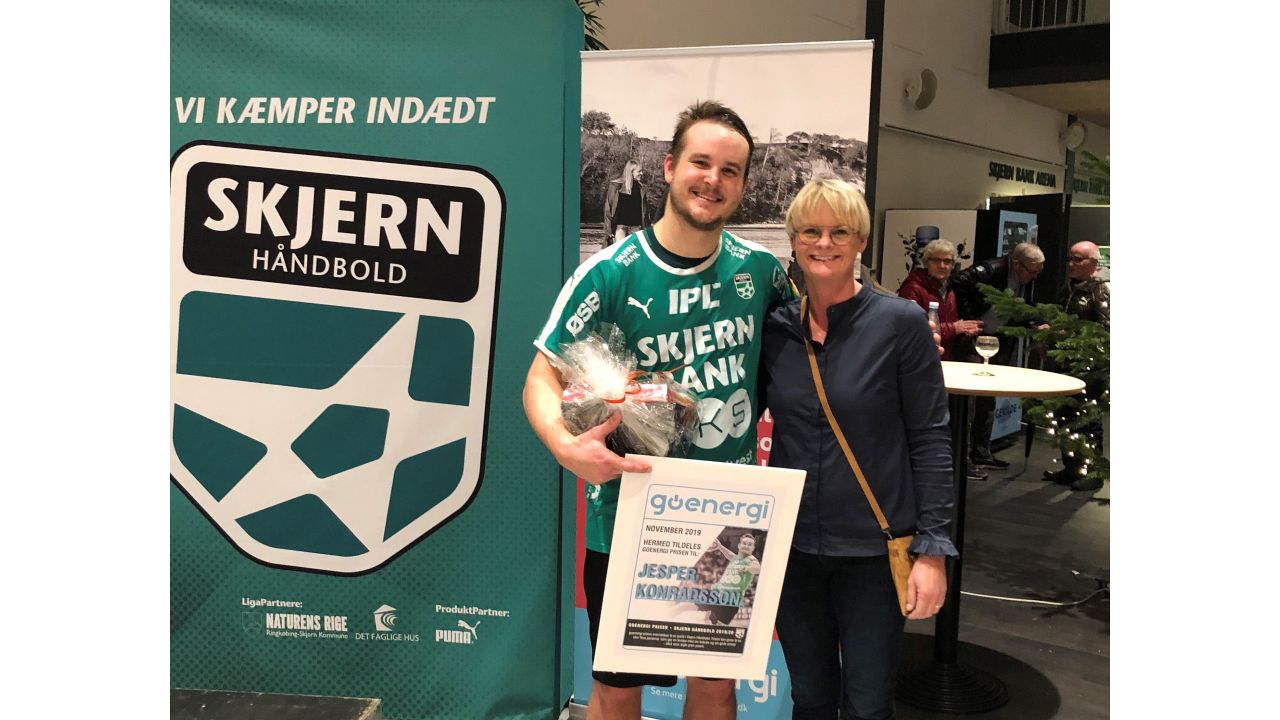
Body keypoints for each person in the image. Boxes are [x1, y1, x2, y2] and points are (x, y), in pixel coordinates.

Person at [524, 100, 792, 720]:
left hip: (728, 517)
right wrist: (564, 446)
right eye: (700, 163)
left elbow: (821, 335)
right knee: (618, 690)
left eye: (730, 170)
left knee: (715, 687)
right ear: (669, 168)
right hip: (632, 513)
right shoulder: (609, 274)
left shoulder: (761, 271)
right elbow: (542, 376)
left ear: (742, 184)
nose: (713, 180)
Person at [760, 177, 957, 720]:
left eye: (840, 231)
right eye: (811, 231)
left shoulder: (900, 323)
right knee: (810, 698)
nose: (824, 243)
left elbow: (931, 438)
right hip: (794, 550)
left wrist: (933, 550)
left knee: (868, 705)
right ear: (793, 241)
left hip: (874, 550)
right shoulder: (776, 329)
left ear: (862, 241)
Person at [897, 238, 989, 481]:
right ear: (925, 262)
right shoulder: (912, 288)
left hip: (946, 361)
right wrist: (954, 328)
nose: (942, 265)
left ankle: (953, 464)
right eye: (936, 260)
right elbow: (913, 329)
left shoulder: (948, 288)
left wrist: (961, 330)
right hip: (921, 364)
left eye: (947, 261)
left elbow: (948, 324)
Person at [950, 241, 1045, 470]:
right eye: (1032, 271)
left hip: (997, 341)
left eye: (1038, 273)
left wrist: (1036, 322)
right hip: (975, 340)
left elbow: (1021, 306)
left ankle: (981, 452)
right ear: (1016, 263)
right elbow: (958, 280)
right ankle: (962, 458)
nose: (1034, 277)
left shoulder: (1025, 279)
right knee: (970, 400)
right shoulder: (992, 269)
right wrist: (970, 316)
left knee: (988, 398)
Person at [1042, 240, 1109, 491]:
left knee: (1088, 420)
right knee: (1064, 417)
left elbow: (1106, 330)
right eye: (1070, 258)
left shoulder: (1101, 291)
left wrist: (1067, 334)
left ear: (1094, 263)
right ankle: (1072, 468)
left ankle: (1094, 473)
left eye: (1078, 259)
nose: (1071, 264)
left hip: (1090, 367)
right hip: (1065, 364)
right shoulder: (1069, 288)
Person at [705, 533, 762, 626]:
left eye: (749, 544)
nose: (746, 546)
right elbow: (729, 554)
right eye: (744, 543)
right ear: (739, 545)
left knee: (720, 626)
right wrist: (720, 547)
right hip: (719, 596)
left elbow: (757, 569)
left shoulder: (751, 560)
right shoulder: (736, 558)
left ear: (753, 548)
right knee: (709, 619)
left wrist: (748, 568)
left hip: (731, 601)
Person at [601, 159, 649, 246]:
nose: (642, 173)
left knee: (635, 254)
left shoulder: (641, 189)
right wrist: (609, 231)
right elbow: (608, 210)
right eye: (639, 171)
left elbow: (645, 213)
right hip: (620, 228)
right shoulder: (615, 187)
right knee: (620, 252)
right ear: (631, 172)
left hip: (636, 228)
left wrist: (647, 231)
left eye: (642, 171)